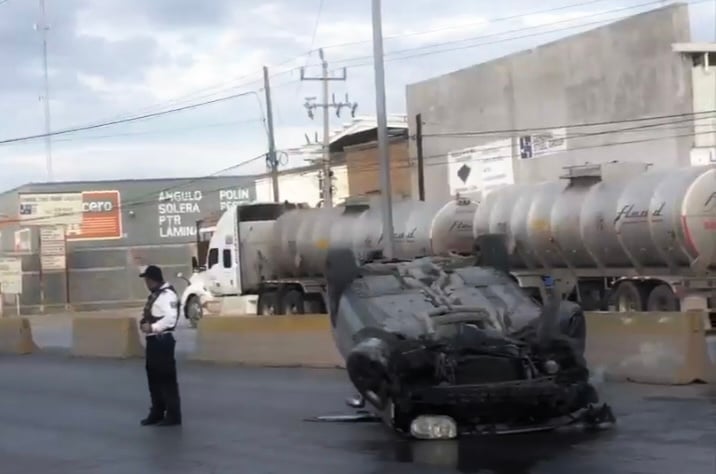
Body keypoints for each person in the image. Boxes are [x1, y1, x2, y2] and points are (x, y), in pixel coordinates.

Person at [138, 264, 182, 427]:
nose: (146, 283)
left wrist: (153, 328)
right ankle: (157, 412)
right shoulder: (157, 294)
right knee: (154, 379)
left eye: (147, 280)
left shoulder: (167, 295)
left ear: (152, 280)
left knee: (166, 380)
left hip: (162, 340)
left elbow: (170, 319)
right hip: (153, 341)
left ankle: (173, 415)